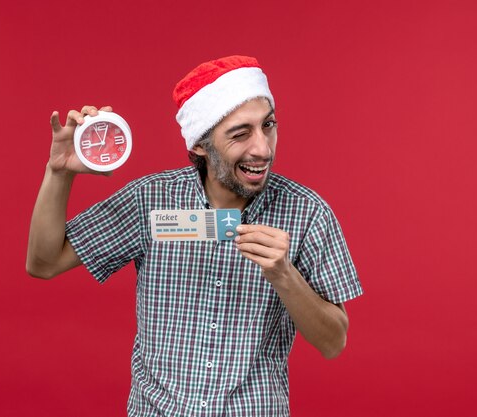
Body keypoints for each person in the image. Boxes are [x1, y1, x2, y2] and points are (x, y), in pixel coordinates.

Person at [26, 55, 363, 416]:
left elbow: (334, 342)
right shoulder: (150, 201)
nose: (263, 148)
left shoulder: (307, 213)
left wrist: (284, 276)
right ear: (199, 146)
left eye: (268, 125)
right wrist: (59, 172)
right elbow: (44, 263)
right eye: (240, 133)